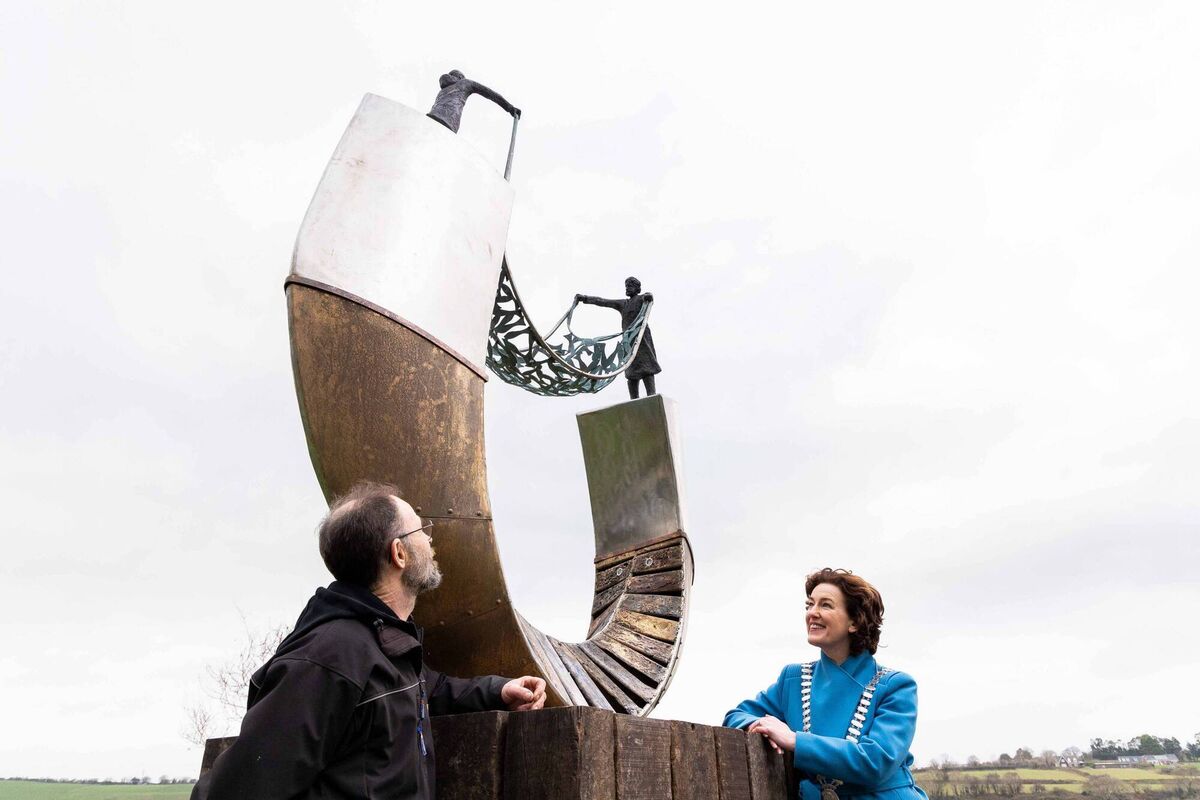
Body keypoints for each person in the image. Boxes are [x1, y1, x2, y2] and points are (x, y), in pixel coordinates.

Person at [192, 481, 547, 800]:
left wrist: (498, 690)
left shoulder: (382, 642)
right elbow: (237, 788)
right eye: (422, 530)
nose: (430, 539)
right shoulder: (328, 657)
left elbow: (427, 688)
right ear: (399, 553)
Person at [723, 569, 926, 800]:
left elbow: (875, 762)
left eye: (826, 605)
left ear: (854, 622)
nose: (812, 613)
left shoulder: (896, 686)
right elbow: (737, 716)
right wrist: (764, 727)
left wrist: (795, 740)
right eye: (809, 605)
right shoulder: (793, 679)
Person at [575, 276, 661, 399]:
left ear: (637, 288)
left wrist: (648, 296)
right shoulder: (623, 304)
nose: (627, 288)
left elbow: (649, 296)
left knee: (647, 368)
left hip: (642, 338)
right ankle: (634, 400)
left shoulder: (641, 299)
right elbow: (603, 301)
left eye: (630, 286)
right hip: (628, 341)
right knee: (630, 372)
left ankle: (651, 397)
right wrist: (585, 298)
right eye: (626, 286)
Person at [427, 69, 520, 133]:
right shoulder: (465, 82)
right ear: (460, 77)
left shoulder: (442, 90)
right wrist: (510, 108)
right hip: (450, 122)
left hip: (433, 115)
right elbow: (489, 93)